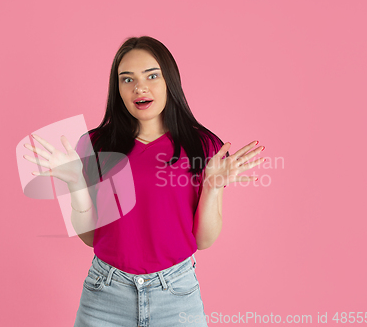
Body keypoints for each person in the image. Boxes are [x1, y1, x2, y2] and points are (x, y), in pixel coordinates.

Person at [23, 36, 266, 326]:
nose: (140, 87)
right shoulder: (94, 145)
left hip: (176, 294)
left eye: (152, 75)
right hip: (105, 295)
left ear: (169, 81)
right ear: (118, 90)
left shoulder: (203, 146)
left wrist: (212, 187)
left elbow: (204, 240)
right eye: (127, 80)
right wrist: (76, 183)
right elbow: (91, 238)